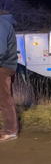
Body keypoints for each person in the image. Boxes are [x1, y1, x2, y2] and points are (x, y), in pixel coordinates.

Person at [0, 11, 19, 142]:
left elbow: (1, 50)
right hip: (6, 65)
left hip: (3, 66)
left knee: (4, 98)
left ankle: (10, 131)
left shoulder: (1, 24)